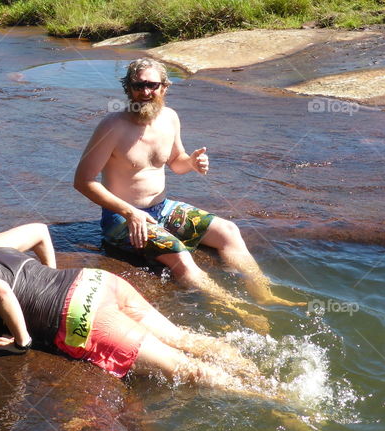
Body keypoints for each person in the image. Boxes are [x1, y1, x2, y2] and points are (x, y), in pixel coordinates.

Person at [0, 221, 261, 389]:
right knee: (185, 340)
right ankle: (258, 370)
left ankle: (281, 402)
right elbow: (41, 230)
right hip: (94, 283)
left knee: (187, 370)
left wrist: (20, 341)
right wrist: (48, 278)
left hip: (80, 316)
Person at [74, 57, 302, 309]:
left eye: (152, 85)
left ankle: (264, 295)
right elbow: (83, 181)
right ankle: (238, 309)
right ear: (128, 88)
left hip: (161, 208)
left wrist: (191, 162)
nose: (145, 92)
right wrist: (130, 212)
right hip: (122, 218)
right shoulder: (111, 127)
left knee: (229, 231)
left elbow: (175, 162)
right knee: (181, 257)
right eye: (138, 85)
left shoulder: (169, 118)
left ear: (164, 87)